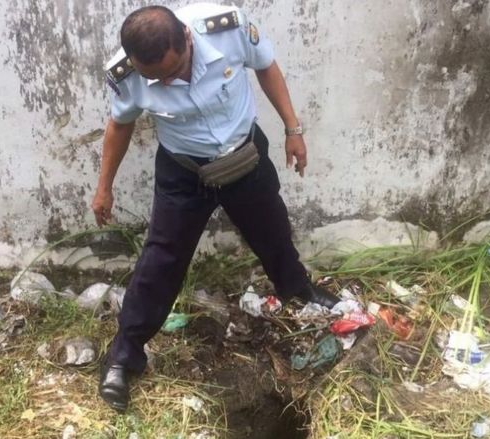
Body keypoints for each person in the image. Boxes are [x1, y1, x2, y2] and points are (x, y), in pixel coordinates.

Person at [92, 3, 339, 412]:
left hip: (244, 157)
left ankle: (299, 291)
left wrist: (293, 129)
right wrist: (104, 188)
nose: (168, 82)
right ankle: (124, 355)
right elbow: (120, 124)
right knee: (161, 261)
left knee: (273, 232)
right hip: (184, 171)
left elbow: (267, 67)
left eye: (173, 71)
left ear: (187, 37)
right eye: (158, 79)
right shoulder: (128, 73)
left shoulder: (226, 28)